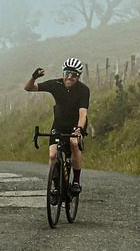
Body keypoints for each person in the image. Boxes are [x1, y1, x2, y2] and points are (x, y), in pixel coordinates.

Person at [24, 57, 90, 195]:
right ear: (63, 73)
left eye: (73, 74)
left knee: (74, 143)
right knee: (53, 156)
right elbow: (28, 88)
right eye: (67, 73)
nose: (69, 77)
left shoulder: (83, 90)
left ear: (78, 76)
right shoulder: (55, 85)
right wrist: (33, 77)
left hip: (76, 125)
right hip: (59, 124)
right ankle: (56, 187)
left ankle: (76, 182)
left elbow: (83, 114)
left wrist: (79, 129)